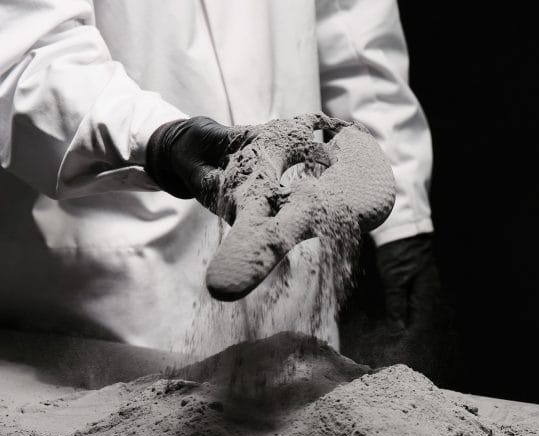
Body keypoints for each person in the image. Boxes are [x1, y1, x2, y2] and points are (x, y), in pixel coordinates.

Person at [0, 0, 448, 378]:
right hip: (119, 291)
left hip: (298, 258)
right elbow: (26, 51)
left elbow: (353, 25)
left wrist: (404, 221)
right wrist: (158, 139)